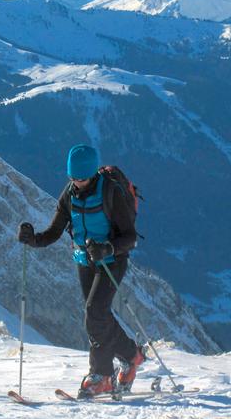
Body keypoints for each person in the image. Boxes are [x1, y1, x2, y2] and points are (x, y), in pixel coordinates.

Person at [17, 144, 144, 398]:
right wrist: (33, 239)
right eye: (73, 177)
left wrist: (107, 248)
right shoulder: (69, 194)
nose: (77, 182)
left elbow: (130, 237)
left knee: (94, 313)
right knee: (98, 315)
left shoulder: (110, 192)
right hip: (84, 261)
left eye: (82, 178)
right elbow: (54, 232)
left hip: (112, 261)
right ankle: (131, 355)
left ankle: (101, 376)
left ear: (93, 175)